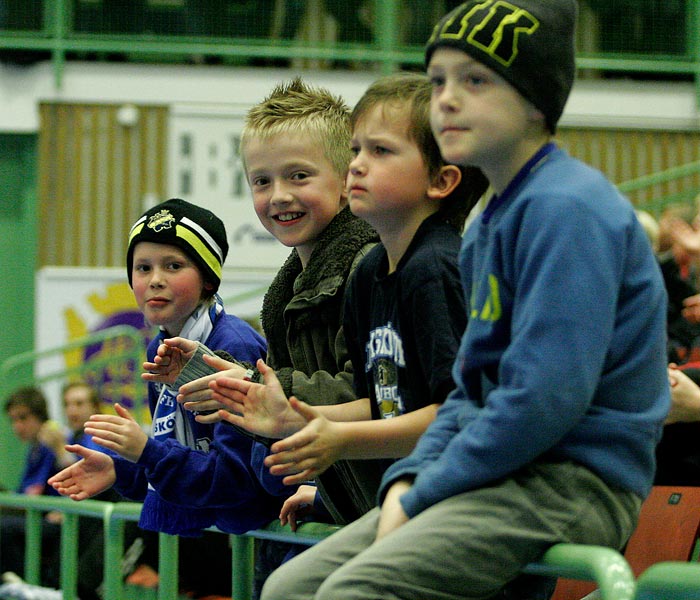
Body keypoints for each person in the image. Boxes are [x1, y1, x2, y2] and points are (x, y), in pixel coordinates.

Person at [254, 2, 670, 599]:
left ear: (535, 100)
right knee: (288, 589)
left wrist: (422, 488)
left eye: (474, 81)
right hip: (500, 473)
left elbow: (541, 402)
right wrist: (410, 480)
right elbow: (468, 395)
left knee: (353, 594)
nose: (446, 98)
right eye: (440, 79)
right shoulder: (490, 227)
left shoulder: (567, 210)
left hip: (574, 482)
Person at [212, 72, 488, 530]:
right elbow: (382, 402)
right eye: (261, 181)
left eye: (298, 175)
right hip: (383, 505)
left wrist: (300, 413)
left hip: (438, 510)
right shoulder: (355, 277)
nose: (278, 195)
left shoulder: (425, 267)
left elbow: (445, 412)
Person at [48, 198, 274, 598]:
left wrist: (147, 454)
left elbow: (237, 479)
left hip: (252, 540)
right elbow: (180, 458)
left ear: (207, 279)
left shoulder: (230, 344)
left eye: (173, 266)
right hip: (216, 531)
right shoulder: (163, 346)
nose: (154, 279)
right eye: (143, 267)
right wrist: (123, 471)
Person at [1, 386, 62, 586]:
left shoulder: (51, 441)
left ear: (39, 415)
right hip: (35, 515)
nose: (17, 426)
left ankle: (23, 584)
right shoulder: (33, 448)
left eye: (23, 418)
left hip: (56, 521)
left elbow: (33, 495)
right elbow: (24, 492)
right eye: (13, 420)